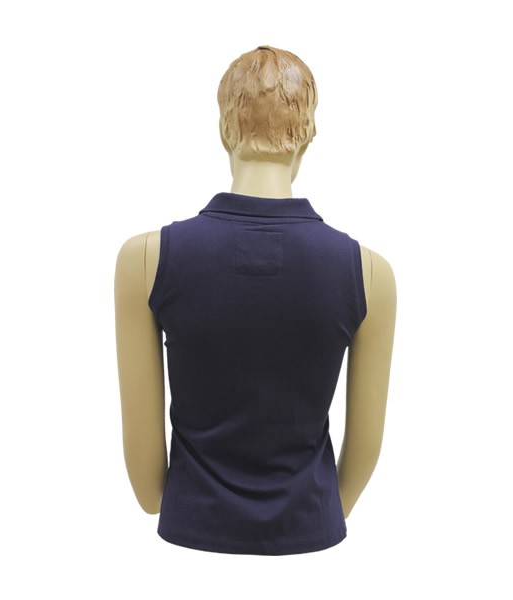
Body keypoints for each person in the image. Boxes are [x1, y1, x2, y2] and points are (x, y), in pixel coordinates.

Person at [114, 45, 397, 555]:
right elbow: (366, 449)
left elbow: (148, 491)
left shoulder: (146, 259)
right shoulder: (369, 272)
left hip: (187, 541)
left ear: (224, 129)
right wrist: (314, 513)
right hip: (312, 541)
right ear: (307, 134)